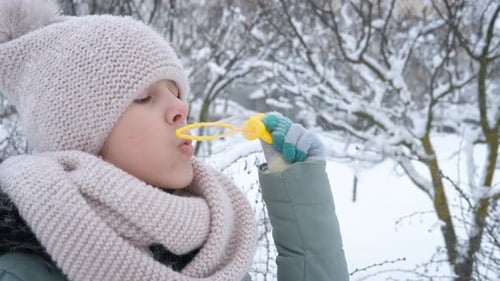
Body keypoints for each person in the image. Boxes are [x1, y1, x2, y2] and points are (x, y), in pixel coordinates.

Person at [0, 0, 349, 280]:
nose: (181, 107)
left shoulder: (205, 248)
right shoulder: (20, 270)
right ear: (79, 136)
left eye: (175, 91)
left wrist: (301, 200)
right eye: (144, 97)